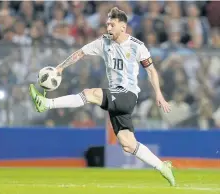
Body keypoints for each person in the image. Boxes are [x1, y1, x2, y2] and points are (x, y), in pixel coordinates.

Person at [29, 7, 175, 186]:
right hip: (116, 95)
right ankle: (162, 166)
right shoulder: (103, 42)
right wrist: (60, 67)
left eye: (112, 25)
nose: (108, 28)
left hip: (128, 95)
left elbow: (151, 71)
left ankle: (46, 103)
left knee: (92, 94)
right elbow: (80, 53)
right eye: (107, 24)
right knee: (127, 143)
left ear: (123, 26)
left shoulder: (137, 46)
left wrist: (158, 94)